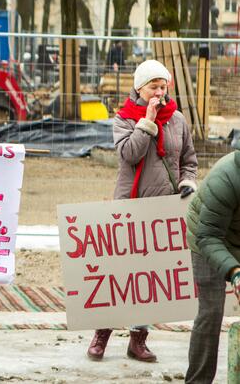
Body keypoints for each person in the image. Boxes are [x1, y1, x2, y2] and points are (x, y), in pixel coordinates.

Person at [87, 59, 198, 362]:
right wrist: (147, 123)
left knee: (149, 278)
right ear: (140, 88)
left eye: (163, 86)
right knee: (120, 274)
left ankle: (138, 339)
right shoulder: (124, 119)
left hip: (164, 208)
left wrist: (188, 182)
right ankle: (102, 334)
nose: (159, 92)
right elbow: (128, 154)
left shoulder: (177, 120)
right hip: (130, 206)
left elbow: (188, 160)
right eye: (153, 86)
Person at [185, 140, 240, 383]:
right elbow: (208, 236)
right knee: (211, 310)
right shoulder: (226, 178)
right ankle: (198, 380)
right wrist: (235, 272)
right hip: (207, 237)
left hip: (236, 233)